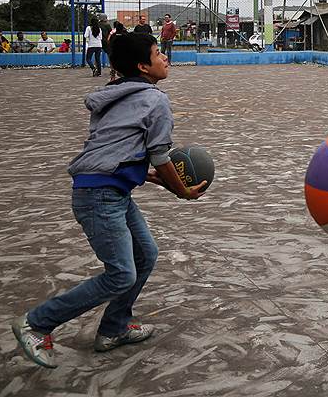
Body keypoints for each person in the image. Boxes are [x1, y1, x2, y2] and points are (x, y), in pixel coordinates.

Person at [11, 32, 208, 369]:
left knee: (145, 254)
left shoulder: (115, 95)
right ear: (143, 66)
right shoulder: (155, 101)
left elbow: (114, 150)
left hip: (107, 189)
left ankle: (114, 328)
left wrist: (145, 176)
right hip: (101, 196)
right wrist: (181, 190)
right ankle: (37, 323)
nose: (166, 58)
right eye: (159, 53)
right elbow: (160, 156)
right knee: (120, 274)